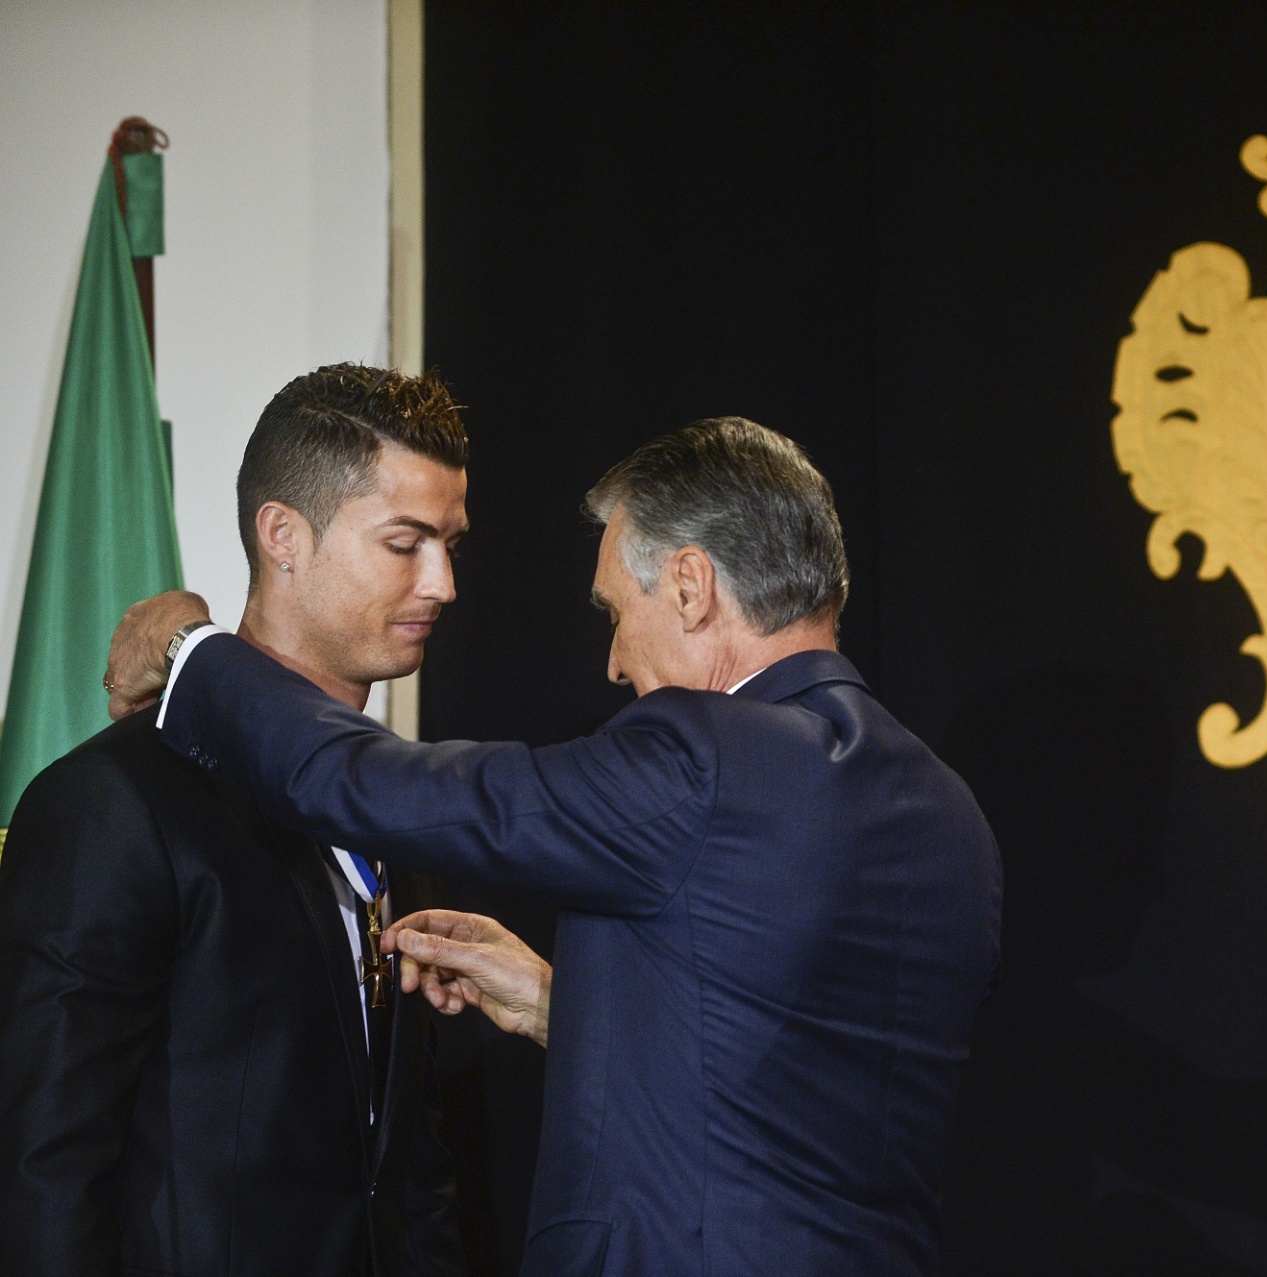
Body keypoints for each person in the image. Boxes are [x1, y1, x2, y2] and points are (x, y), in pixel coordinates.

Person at [105, 417, 1004, 1277]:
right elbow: (793, 1071)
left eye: (617, 609)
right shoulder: (948, 813)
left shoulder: (708, 751)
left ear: (690, 586)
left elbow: (370, 785)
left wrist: (193, 652)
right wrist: (560, 1002)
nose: (614, 663)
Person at [0, 364, 468, 1276]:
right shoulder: (112, 803)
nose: (443, 582)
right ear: (282, 534)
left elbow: (405, 1154)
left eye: (450, 543)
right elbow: (42, 1165)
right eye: (406, 542)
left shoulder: (390, 806)